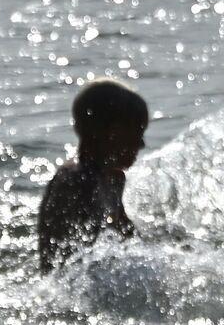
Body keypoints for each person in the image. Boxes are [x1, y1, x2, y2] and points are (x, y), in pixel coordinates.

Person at [37, 78, 149, 272]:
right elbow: (89, 255)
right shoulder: (78, 181)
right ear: (113, 133)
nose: (141, 144)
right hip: (66, 288)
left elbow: (129, 239)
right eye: (137, 132)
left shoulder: (112, 179)